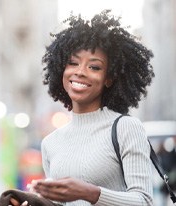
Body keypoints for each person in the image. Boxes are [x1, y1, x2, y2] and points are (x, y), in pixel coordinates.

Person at [9, 10, 155, 205]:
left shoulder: (126, 128)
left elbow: (145, 201)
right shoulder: (51, 143)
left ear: (109, 79)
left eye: (94, 67)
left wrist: (91, 193)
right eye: (73, 63)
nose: (80, 72)